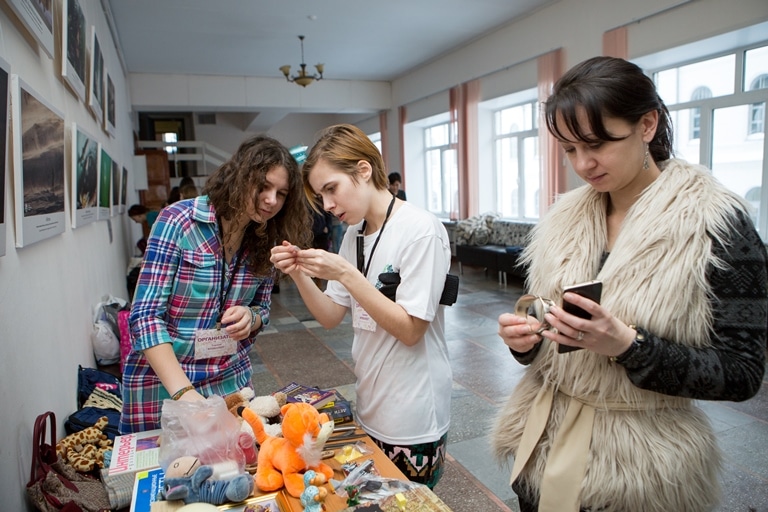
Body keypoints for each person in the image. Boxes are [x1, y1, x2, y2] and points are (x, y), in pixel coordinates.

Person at [491, 56, 767, 512]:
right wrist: (527, 342)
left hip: (638, 467)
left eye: (597, 143)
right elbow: (555, 342)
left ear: (647, 125)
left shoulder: (714, 225)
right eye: (569, 149)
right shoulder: (563, 220)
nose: (583, 164)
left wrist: (629, 346)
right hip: (543, 446)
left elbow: (743, 373)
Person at [270, 124, 453, 489]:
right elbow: (330, 315)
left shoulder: (420, 229)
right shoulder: (354, 234)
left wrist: (346, 274)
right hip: (370, 405)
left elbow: (411, 331)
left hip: (413, 417)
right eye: (321, 195)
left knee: (410, 504)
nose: (327, 205)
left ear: (364, 170)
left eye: (331, 188)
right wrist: (299, 273)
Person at [119, 135, 311, 434]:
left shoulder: (265, 238)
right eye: (263, 186)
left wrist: (251, 317)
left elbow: (262, 308)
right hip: (164, 386)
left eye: (281, 193)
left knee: (236, 461)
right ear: (239, 177)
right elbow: (145, 317)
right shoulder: (179, 222)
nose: (272, 200)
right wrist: (185, 394)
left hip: (229, 383)